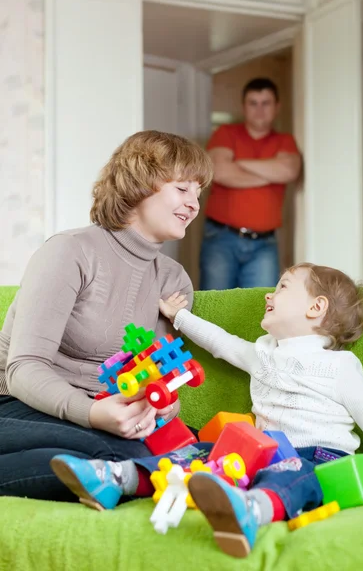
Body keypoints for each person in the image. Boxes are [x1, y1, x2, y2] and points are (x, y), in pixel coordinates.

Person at [50, 262, 363, 556]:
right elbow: (222, 342)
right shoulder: (263, 352)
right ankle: (118, 478)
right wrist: (178, 317)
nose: (270, 295)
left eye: (282, 287)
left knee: (299, 472)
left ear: (316, 308)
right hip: (259, 450)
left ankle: (251, 509)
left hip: (320, 455)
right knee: (198, 453)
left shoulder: (339, 367)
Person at [0, 130, 213, 501]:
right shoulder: (70, 252)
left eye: (198, 192)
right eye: (182, 189)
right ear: (140, 184)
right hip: (20, 405)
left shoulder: (173, 280)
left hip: (107, 413)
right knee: (124, 456)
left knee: (201, 451)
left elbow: (162, 375)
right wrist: (93, 414)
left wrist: (156, 405)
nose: (194, 204)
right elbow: (24, 368)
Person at [200, 77, 301, 290]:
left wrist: (239, 163)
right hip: (221, 238)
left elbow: (289, 170)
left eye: (266, 103)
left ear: (277, 107)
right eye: (253, 103)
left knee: (259, 311)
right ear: (244, 106)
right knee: (215, 308)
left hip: (265, 245)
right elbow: (218, 172)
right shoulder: (226, 133)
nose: (259, 109)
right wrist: (270, 173)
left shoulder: (285, 141)